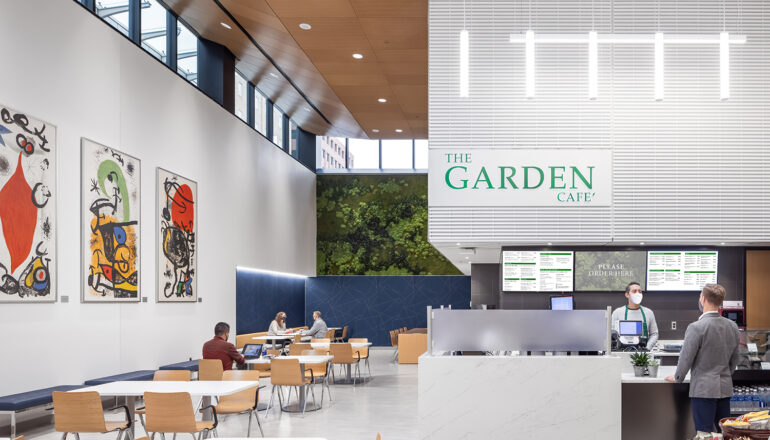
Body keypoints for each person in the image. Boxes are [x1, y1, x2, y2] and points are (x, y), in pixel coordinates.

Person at [665, 284, 740, 438]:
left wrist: (678, 377)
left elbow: (686, 358)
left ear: (703, 299)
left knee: (704, 434)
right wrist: (725, 375)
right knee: (725, 434)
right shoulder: (732, 326)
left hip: (703, 389)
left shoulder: (696, 327)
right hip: (725, 389)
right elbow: (735, 360)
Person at [611, 281, 659, 350]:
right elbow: (611, 334)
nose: (638, 293)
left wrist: (647, 348)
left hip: (643, 354)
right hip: (622, 352)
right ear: (627, 295)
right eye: (634, 291)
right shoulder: (617, 312)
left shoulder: (648, 312)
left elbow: (654, 334)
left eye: (640, 291)